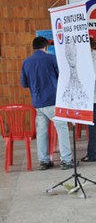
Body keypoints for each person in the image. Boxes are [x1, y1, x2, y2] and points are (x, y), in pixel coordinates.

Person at [20, 36, 73, 170]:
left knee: (42, 132)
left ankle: (44, 161)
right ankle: (66, 160)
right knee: (62, 129)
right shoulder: (51, 58)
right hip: (53, 100)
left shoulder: (26, 62)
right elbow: (63, 77)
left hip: (38, 103)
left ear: (33, 48)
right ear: (46, 47)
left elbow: (24, 83)